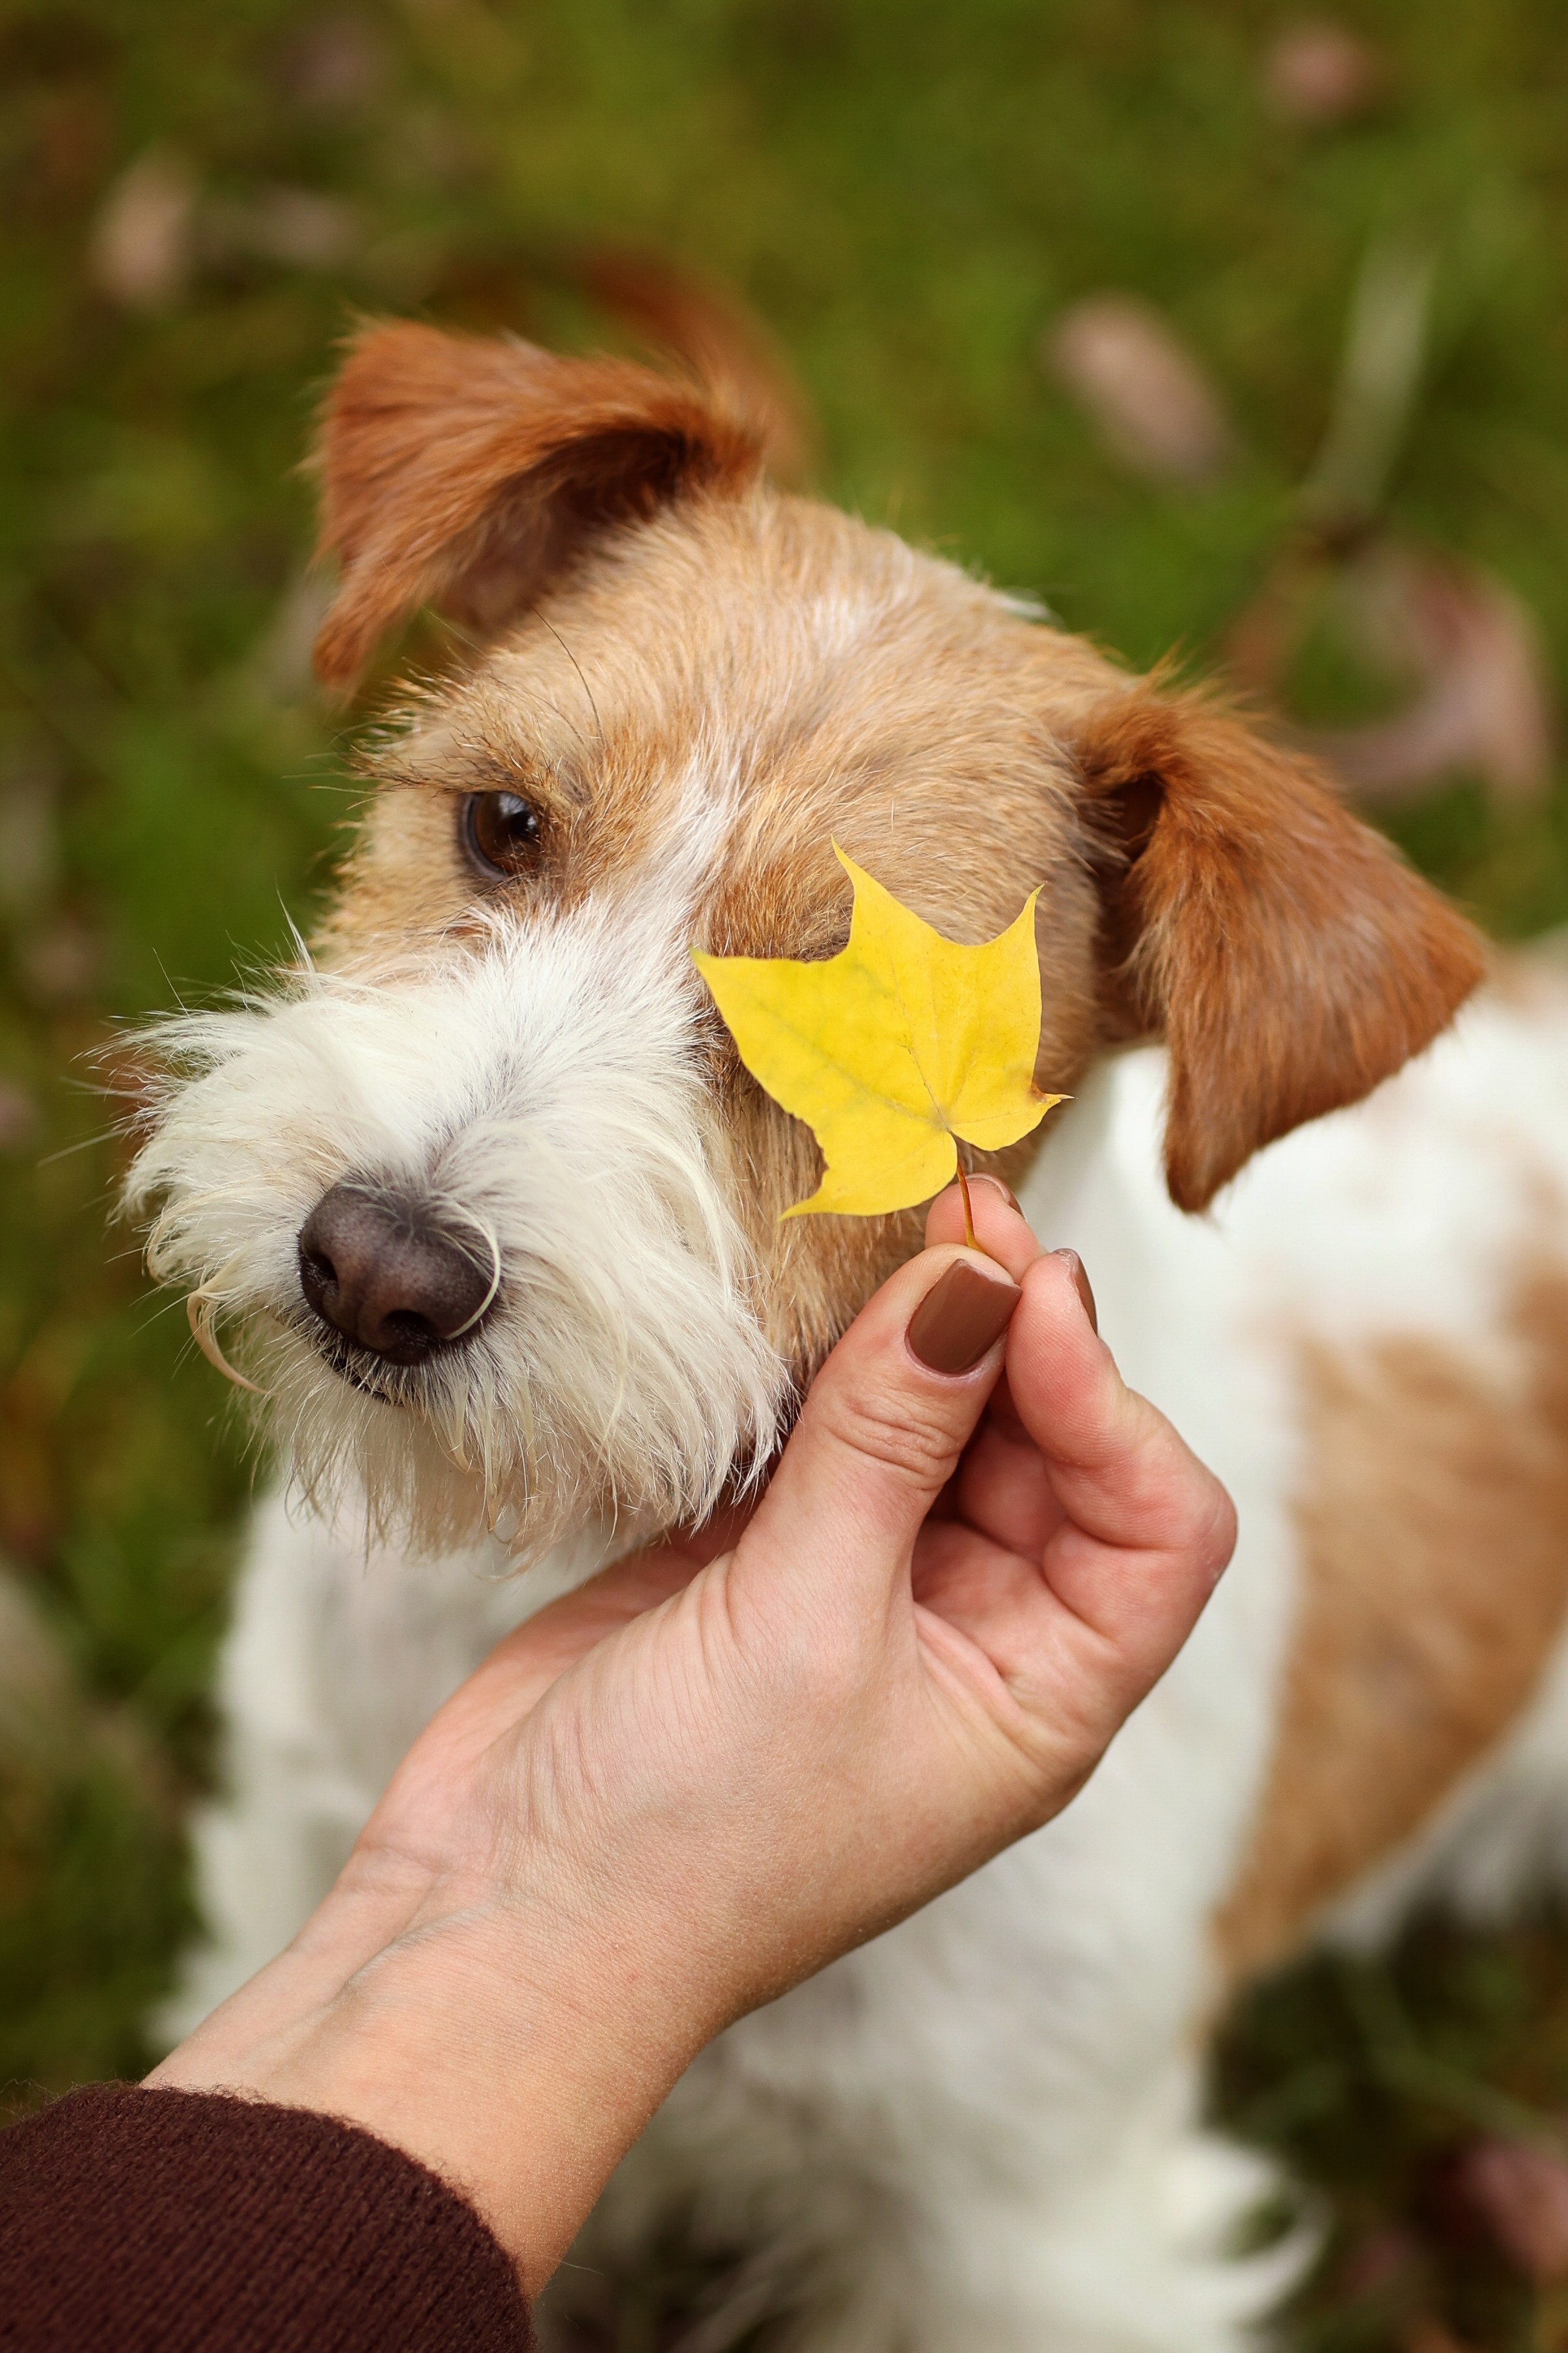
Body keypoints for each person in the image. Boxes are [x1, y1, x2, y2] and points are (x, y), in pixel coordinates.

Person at [0, 1180, 1235, 2351]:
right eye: (477, 930)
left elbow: (1040, 2281)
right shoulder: (343, 1550)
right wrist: (558, 1934)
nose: (385, 1258)